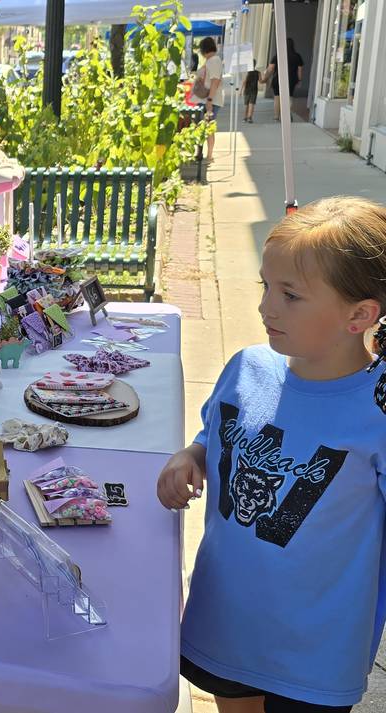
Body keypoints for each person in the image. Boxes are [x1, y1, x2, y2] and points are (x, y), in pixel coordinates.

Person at [157, 196, 386, 713]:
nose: (265, 307)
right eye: (266, 286)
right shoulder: (246, 368)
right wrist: (191, 455)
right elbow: (215, 435)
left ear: (360, 315)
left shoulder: (379, 409)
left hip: (315, 653)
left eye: (291, 295)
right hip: (227, 622)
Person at [194, 37, 224, 163]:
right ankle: (202, 153)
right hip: (207, 100)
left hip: (209, 100)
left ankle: (209, 155)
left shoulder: (213, 60)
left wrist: (210, 100)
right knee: (204, 127)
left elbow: (215, 81)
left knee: (208, 127)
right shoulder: (212, 60)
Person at [264, 37, 304, 121]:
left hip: (278, 80)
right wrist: (299, 80)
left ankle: (276, 116)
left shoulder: (278, 55)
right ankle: (286, 115)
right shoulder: (297, 56)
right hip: (291, 80)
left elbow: (270, 69)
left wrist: (265, 77)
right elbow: (300, 71)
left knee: (277, 97)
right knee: (289, 97)